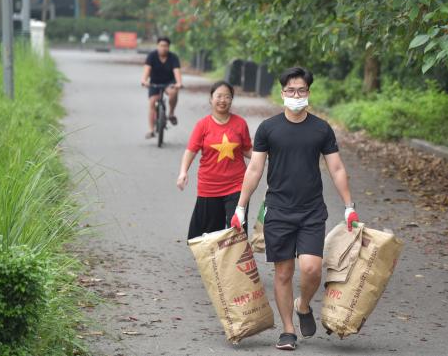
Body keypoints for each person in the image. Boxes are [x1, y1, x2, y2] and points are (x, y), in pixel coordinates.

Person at [231, 67, 359, 351]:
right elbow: (254, 168)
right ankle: (288, 329)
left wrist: (349, 206)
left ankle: (303, 304)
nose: (296, 95)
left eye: (301, 90)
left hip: (312, 210)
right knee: (284, 272)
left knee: (312, 269)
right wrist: (241, 207)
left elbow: (336, 168)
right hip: (278, 210)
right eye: (291, 91)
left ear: (308, 93)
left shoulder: (321, 129)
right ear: (282, 93)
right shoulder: (268, 128)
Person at [177, 81, 252, 239]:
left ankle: (236, 263)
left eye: (227, 96)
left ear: (231, 100)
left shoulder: (240, 123)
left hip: (237, 184)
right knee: (210, 235)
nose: (223, 100)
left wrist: (269, 155)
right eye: (219, 96)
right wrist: (183, 172)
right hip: (209, 186)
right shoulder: (203, 125)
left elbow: (247, 150)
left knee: (237, 229)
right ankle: (214, 263)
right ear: (211, 99)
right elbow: (191, 150)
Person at [140, 36, 183, 139]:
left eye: (166, 46)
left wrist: (179, 83)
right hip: (155, 82)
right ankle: (151, 130)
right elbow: (146, 70)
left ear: (169, 47)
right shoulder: (152, 56)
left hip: (169, 82)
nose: (163, 48)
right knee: (152, 102)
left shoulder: (173, 57)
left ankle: (171, 113)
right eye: (161, 45)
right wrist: (144, 81)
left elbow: (177, 72)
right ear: (157, 46)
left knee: (173, 92)